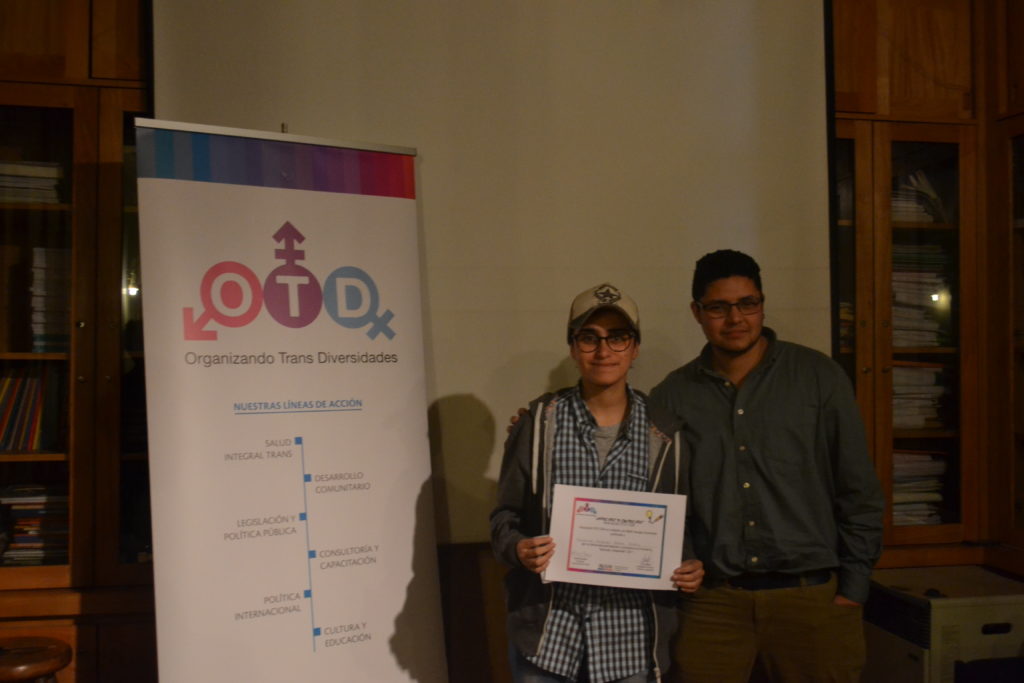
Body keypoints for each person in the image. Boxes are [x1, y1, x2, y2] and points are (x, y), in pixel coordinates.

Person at [649, 249, 884, 683]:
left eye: (748, 303)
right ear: (697, 312)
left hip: (811, 600)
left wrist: (854, 587)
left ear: (762, 303)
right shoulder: (671, 395)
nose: (735, 318)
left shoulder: (819, 377)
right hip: (713, 606)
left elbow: (858, 488)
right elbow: (662, 500)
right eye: (719, 307)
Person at [490, 283, 705, 683]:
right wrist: (518, 549)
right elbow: (504, 516)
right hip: (548, 640)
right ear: (573, 348)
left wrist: (688, 565)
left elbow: (681, 529)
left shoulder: (667, 435)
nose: (603, 350)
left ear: (634, 348)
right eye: (589, 337)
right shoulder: (538, 425)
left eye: (618, 337)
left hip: (630, 643)